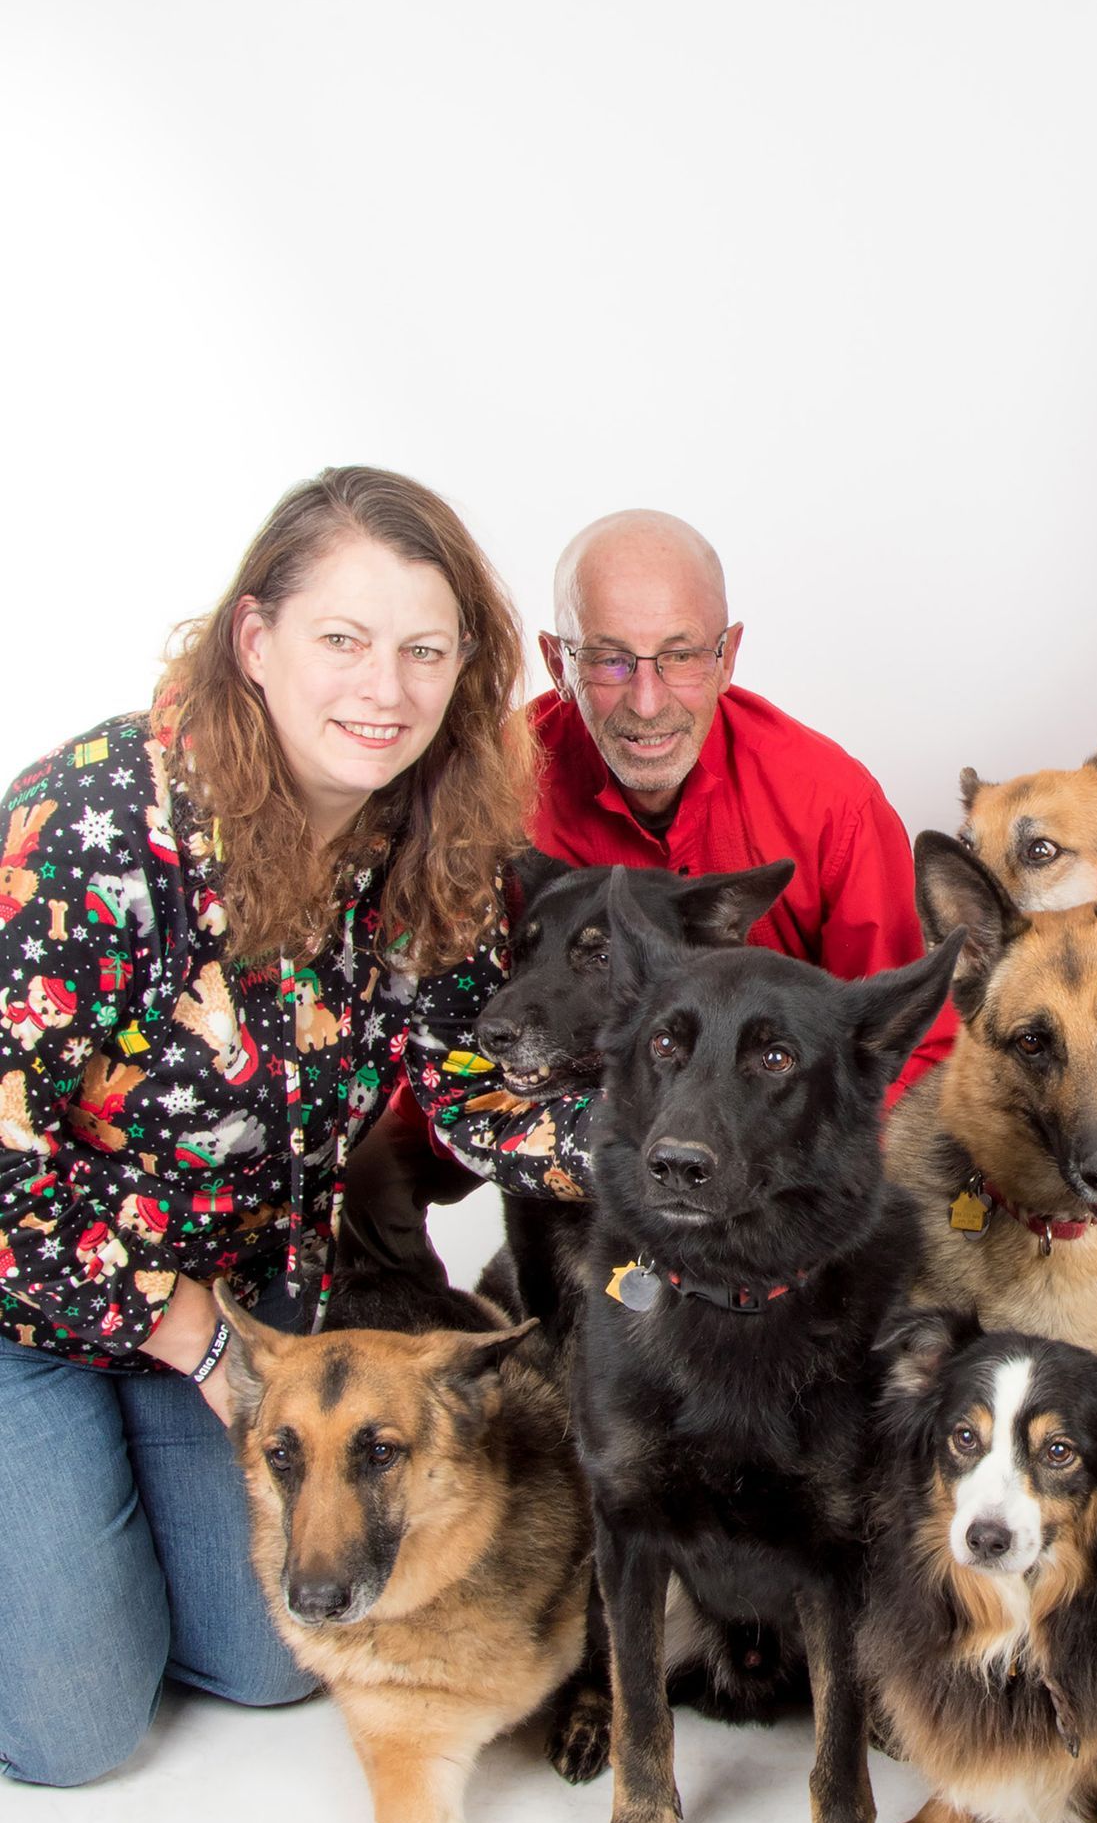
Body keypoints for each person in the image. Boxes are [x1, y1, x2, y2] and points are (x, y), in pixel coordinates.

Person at [0, 466, 593, 1787]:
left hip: (251, 1304)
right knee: (79, 1732)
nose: (385, 688)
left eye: (424, 652)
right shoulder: (103, 824)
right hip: (36, 1302)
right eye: (344, 640)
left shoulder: (429, 840)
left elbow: (471, 1088)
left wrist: (675, 1155)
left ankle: (105, 1520)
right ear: (255, 641)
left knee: (280, 1662)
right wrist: (189, 1339)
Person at [344, 507, 951, 1265]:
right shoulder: (490, 789)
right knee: (365, 1178)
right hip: (553, 1087)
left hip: (759, 1111)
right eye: (609, 660)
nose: (648, 701)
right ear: (558, 660)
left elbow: (911, 1044)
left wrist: (803, 1162)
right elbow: (453, 1008)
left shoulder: (832, 804)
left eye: (682, 656)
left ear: (728, 656)